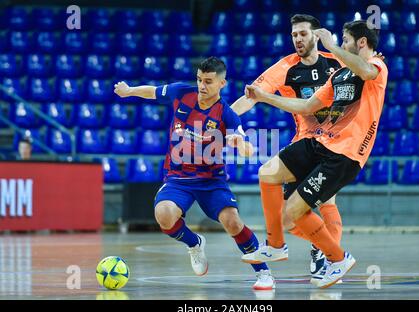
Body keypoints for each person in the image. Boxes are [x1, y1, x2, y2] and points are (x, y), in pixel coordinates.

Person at [244, 20, 388, 288]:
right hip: (319, 141)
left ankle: (336, 258)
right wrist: (265, 97)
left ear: (361, 43)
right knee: (268, 173)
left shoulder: (377, 67)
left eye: (344, 41)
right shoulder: (338, 75)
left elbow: (367, 72)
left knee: (297, 210)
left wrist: (331, 45)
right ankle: (276, 245)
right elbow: (307, 105)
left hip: (345, 155)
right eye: (340, 41)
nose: (338, 47)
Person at [113, 56, 275, 290]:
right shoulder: (181, 93)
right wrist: (129, 91)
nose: (201, 85)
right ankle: (195, 244)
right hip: (178, 178)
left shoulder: (226, 114)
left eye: (208, 81)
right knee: (164, 215)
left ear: (222, 83)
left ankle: (264, 272)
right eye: (199, 79)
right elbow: (152, 91)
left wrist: (241, 144)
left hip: (211, 181)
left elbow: (249, 148)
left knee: (233, 222)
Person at [231, 14, 344, 281]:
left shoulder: (337, 62)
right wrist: (223, 120)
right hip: (304, 141)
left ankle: (332, 259)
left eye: (303, 34)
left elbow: (365, 71)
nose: (298, 40)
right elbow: (251, 98)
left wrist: (374, 60)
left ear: (316, 36)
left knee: (327, 199)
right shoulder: (286, 67)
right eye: (294, 35)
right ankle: (321, 246)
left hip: (336, 143)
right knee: (286, 220)